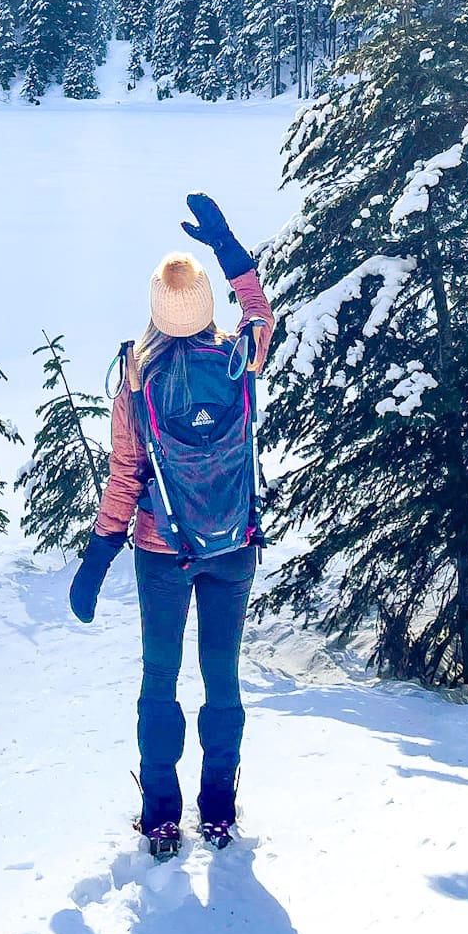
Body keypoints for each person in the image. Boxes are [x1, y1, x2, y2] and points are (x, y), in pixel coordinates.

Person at [68, 193, 275, 856]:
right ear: (207, 307)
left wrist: (99, 555)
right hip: (233, 543)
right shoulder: (242, 359)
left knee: (160, 679)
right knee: (223, 678)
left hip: (161, 550)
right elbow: (261, 311)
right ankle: (218, 812)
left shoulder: (139, 375)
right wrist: (228, 246)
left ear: (157, 312)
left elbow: (126, 474)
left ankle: (161, 817)